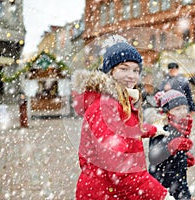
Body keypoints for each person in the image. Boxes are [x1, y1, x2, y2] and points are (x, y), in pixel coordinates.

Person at [71, 41, 174, 200]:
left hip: (112, 191)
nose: (131, 75)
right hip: (105, 193)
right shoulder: (104, 107)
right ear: (110, 72)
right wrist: (161, 195)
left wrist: (154, 129)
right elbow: (119, 168)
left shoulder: (117, 101)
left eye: (135, 70)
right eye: (124, 69)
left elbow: (128, 129)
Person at [148, 89, 195, 200]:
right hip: (163, 187)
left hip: (178, 188)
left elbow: (180, 173)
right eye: (177, 109)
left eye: (184, 108)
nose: (183, 112)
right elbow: (153, 158)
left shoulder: (182, 129)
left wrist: (183, 157)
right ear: (167, 112)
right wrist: (169, 148)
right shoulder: (161, 130)